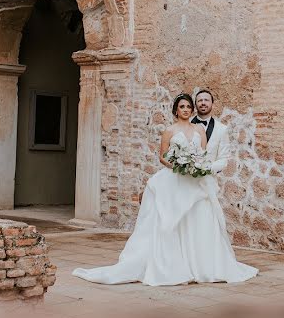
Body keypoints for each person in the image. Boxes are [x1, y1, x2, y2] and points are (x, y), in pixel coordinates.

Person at [73, 93, 257, 286]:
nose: (186, 110)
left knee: (199, 219)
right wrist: (177, 165)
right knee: (171, 219)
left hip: (196, 181)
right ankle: (173, 264)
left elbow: (202, 155)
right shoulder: (169, 130)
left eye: (188, 107)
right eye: (182, 107)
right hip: (175, 178)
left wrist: (196, 166)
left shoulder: (200, 130)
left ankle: (201, 263)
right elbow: (162, 157)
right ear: (176, 110)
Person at [190, 89, 230, 174]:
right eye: (200, 100)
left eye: (206, 100)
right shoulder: (186, 125)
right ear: (195, 105)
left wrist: (206, 168)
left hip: (208, 180)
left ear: (212, 104)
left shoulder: (222, 129)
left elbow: (223, 159)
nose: (203, 103)